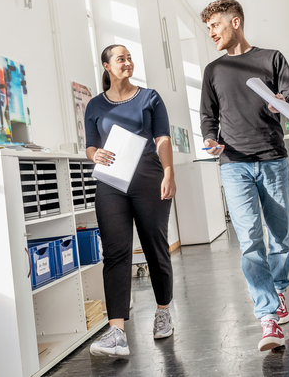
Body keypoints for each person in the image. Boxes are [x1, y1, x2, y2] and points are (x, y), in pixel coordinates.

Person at [199, 0, 289, 352]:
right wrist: (211, 140)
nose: (211, 33)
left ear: (236, 22)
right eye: (208, 28)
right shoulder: (213, 71)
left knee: (281, 236)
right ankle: (268, 317)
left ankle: (278, 290)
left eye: (215, 25)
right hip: (234, 164)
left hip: (273, 158)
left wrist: (281, 101)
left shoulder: (271, 58)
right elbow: (207, 117)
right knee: (250, 242)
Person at [85, 44, 176, 356]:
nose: (128, 62)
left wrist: (169, 172)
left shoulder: (149, 98)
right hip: (111, 181)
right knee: (115, 254)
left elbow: (162, 138)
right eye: (120, 58)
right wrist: (93, 153)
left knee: (155, 246)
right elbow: (90, 146)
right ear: (107, 66)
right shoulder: (95, 106)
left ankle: (163, 311)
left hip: (149, 177)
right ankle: (116, 333)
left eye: (130, 57)